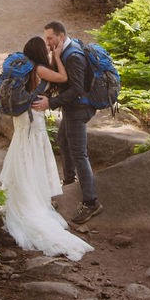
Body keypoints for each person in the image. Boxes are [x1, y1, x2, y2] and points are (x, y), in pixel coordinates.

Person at [0, 36, 92, 261]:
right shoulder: (39, 69)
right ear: (41, 52)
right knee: (34, 155)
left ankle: (20, 193)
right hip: (34, 119)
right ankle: (34, 198)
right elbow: (63, 77)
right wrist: (59, 56)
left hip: (21, 117)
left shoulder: (26, 68)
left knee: (22, 151)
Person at [33, 19, 102, 226]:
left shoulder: (73, 56)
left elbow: (76, 89)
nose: (47, 42)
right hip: (73, 107)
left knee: (79, 153)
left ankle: (91, 202)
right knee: (63, 139)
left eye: (50, 38)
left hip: (79, 109)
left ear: (61, 37)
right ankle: (70, 180)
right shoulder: (65, 51)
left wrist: (51, 102)